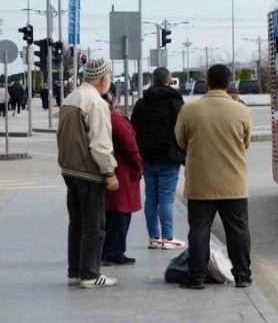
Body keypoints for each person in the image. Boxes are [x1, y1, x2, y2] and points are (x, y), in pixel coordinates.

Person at [175, 64, 253, 290]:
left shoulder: (190, 110)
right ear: (229, 85)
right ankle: (242, 275)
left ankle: (197, 276)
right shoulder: (241, 111)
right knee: (238, 229)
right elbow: (245, 142)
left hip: (201, 183)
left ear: (206, 82)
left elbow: (181, 140)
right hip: (234, 183)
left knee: (199, 229)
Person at [57, 58, 119, 289]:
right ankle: (91, 274)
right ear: (104, 79)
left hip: (69, 169)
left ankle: (75, 271)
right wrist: (110, 172)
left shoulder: (71, 98)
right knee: (94, 226)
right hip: (89, 173)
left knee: (77, 225)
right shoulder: (96, 103)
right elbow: (100, 144)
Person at [130, 67, 187, 250]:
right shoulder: (175, 101)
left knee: (151, 197)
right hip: (169, 157)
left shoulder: (141, 103)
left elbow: (133, 129)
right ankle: (168, 237)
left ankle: (153, 237)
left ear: (153, 81)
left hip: (147, 157)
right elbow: (182, 129)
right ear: (169, 81)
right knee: (166, 198)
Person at [100, 83, 143, 266]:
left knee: (112, 213)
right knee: (120, 213)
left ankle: (112, 250)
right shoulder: (114, 118)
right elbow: (129, 145)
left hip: (113, 170)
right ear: (112, 97)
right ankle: (114, 252)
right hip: (122, 172)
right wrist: (138, 165)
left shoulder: (101, 116)